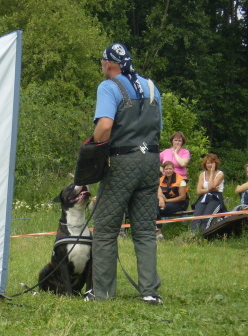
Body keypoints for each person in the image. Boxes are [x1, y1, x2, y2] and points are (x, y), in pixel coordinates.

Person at [87, 43, 162, 304]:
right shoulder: (152, 87)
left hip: (121, 163)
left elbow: (105, 126)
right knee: (144, 230)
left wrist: (92, 144)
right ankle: (150, 292)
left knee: (106, 230)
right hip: (151, 161)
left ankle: (102, 293)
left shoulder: (108, 86)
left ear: (109, 64)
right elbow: (157, 127)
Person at [191, 153, 227, 232]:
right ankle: (193, 235)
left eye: (211, 163)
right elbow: (199, 191)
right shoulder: (202, 174)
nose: (209, 165)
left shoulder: (220, 174)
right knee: (197, 217)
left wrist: (211, 173)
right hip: (204, 197)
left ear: (215, 163)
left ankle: (204, 235)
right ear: (205, 164)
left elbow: (211, 186)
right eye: (208, 163)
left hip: (215, 197)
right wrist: (209, 190)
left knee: (207, 217)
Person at [156, 161, 189, 239]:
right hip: (165, 203)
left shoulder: (181, 180)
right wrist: (161, 199)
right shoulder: (160, 180)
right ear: (163, 170)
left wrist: (166, 201)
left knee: (157, 209)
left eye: (170, 169)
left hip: (179, 203)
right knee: (154, 207)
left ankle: (158, 232)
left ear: (173, 169)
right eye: (166, 169)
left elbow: (182, 197)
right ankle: (158, 233)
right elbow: (158, 193)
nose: (168, 171)